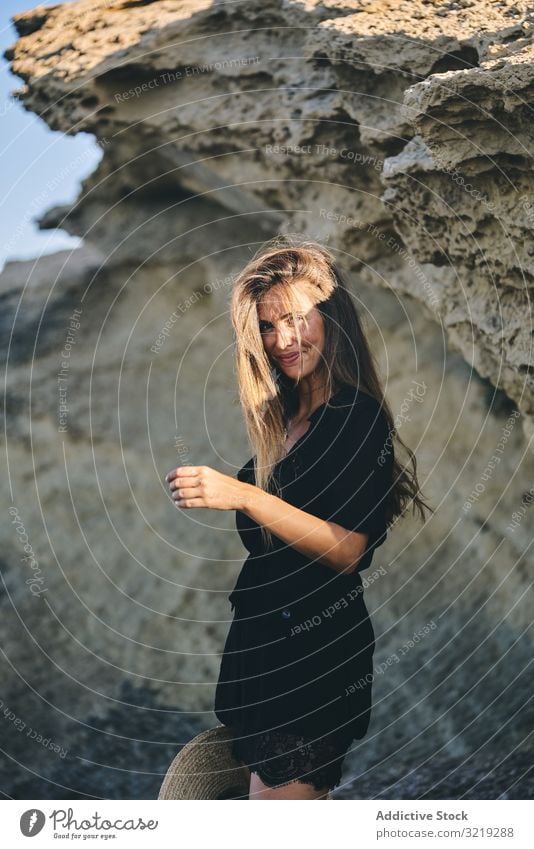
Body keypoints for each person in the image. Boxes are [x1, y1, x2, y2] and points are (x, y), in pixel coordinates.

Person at [165, 237, 432, 799]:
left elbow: (348, 550)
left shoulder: (356, 416)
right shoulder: (283, 422)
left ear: (330, 315)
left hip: (316, 653)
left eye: (297, 318)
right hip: (263, 649)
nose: (283, 340)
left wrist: (242, 495)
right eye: (267, 326)